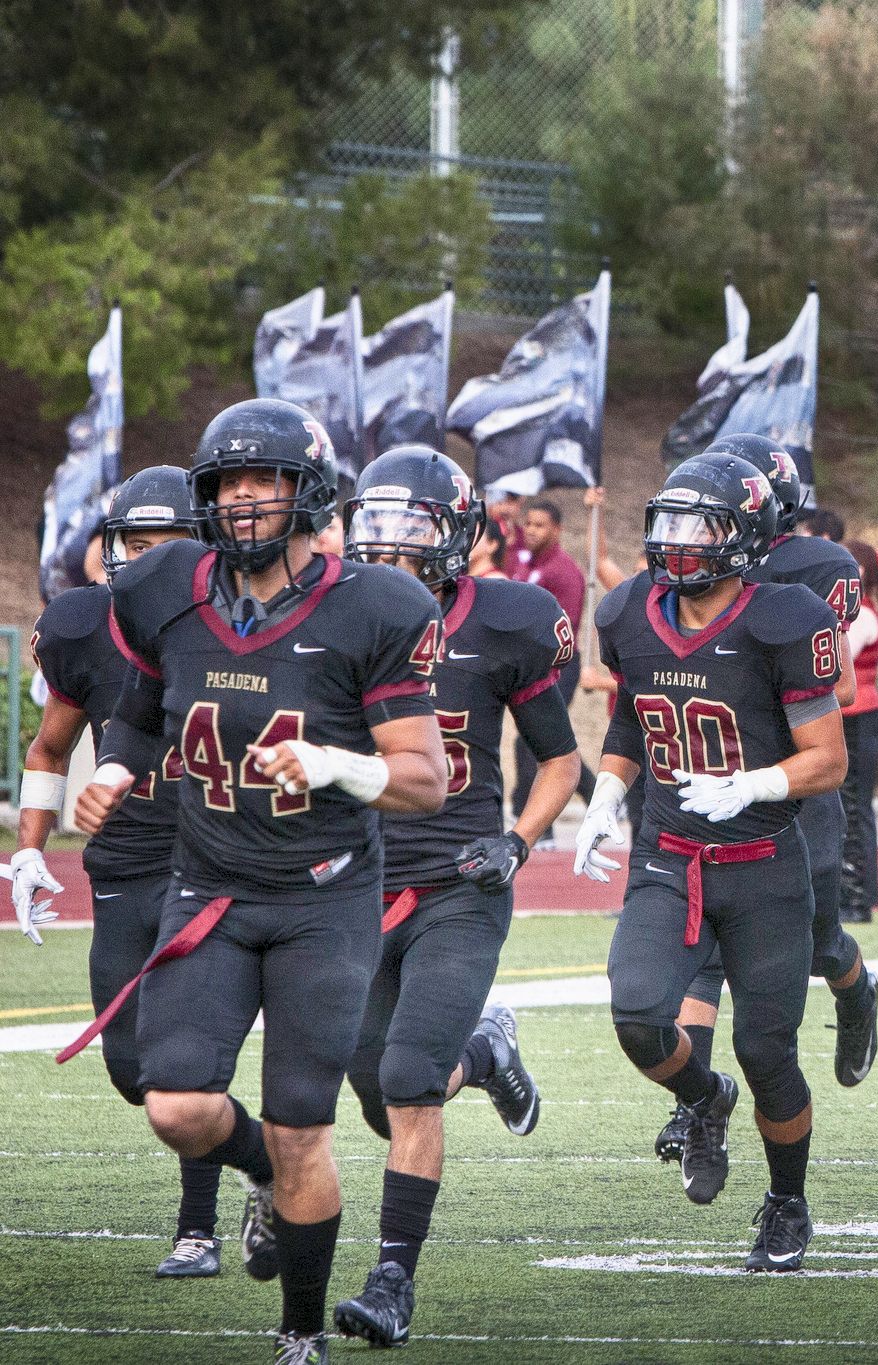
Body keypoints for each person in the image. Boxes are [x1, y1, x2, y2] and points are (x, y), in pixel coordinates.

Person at [69, 399, 448, 1364]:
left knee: (300, 1127)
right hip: (209, 887)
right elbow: (144, 703)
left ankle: (298, 1332)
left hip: (322, 898)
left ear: (307, 489)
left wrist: (336, 765)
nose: (243, 498)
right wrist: (116, 764)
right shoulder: (161, 586)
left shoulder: (376, 605)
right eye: (229, 482)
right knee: (176, 1104)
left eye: (265, 479)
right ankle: (262, 1183)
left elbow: (425, 776)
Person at [329, 448, 578, 1347]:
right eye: (378, 529)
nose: (391, 549)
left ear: (459, 533)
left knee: (407, 1077)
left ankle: (392, 1276)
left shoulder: (507, 620)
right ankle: (490, 1047)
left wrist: (516, 840)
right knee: (369, 1085)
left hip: (460, 886)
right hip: (355, 886)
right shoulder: (336, 617)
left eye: (413, 529)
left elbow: (560, 758)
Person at [576, 451, 846, 1271]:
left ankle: (786, 1199)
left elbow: (828, 758)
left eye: (703, 525)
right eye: (670, 521)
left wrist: (756, 781)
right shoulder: (628, 611)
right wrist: (607, 793)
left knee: (769, 1052)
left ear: (747, 535)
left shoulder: (783, 617)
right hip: (669, 852)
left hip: (764, 860)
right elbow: (634, 716)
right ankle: (704, 1095)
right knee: (637, 1011)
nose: (680, 540)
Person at [12, 467, 235, 1280]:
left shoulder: (245, 627)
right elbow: (50, 747)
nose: (143, 562)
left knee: (186, 1055)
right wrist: (31, 846)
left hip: (216, 862)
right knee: (131, 1067)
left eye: (162, 546)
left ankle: (198, 1228)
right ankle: (257, 1156)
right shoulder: (82, 625)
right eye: (132, 545)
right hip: (124, 861)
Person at [654, 434, 878, 1201]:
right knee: (706, 951)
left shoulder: (813, 573)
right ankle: (700, 1110)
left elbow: (841, 691)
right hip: (708, 800)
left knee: (817, 941)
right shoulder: (677, 582)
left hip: (793, 788)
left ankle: (854, 986)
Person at [510, 498, 598, 828]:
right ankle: (593, 796)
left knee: (534, 740)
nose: (531, 530)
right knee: (549, 741)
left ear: (557, 530)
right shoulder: (523, 560)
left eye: (540, 525)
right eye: (528, 524)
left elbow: (565, 628)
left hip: (557, 665)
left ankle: (529, 817)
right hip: (529, 665)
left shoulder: (564, 572)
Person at [838, 540, 878, 924]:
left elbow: (841, 663)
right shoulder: (863, 614)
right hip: (857, 712)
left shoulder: (862, 617)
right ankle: (860, 887)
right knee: (853, 805)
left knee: (855, 805)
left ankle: (860, 891)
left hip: (859, 712)